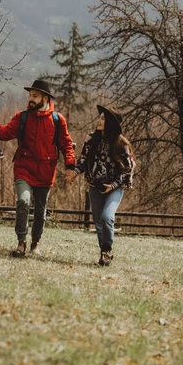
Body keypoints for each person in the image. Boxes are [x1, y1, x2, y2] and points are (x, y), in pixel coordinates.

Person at [0, 80, 76, 257]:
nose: (30, 99)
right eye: (30, 96)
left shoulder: (58, 120)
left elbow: (66, 144)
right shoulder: (22, 117)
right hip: (23, 168)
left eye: (35, 96)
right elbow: (4, 134)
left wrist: (71, 166)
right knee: (24, 201)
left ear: (45, 98)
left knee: (40, 212)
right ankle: (21, 243)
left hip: (46, 171)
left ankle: (35, 243)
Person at [66, 105, 135, 266]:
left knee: (107, 217)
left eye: (103, 118)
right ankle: (104, 254)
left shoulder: (121, 144)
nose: (99, 120)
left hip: (114, 188)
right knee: (98, 221)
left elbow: (128, 170)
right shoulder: (91, 139)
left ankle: (107, 249)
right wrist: (75, 173)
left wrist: (112, 186)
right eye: (100, 117)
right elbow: (83, 160)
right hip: (95, 186)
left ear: (111, 123)